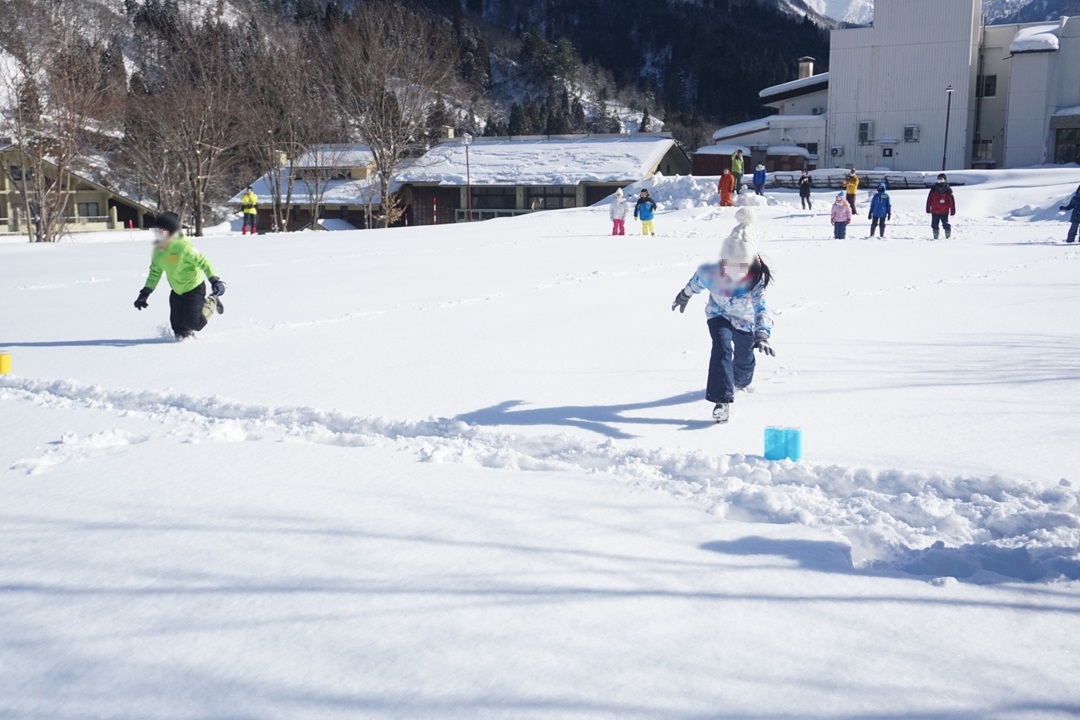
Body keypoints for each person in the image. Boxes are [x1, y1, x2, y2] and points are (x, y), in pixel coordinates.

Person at [671, 207, 774, 424]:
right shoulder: (714, 272)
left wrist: (762, 334)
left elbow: (762, 309)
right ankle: (722, 401)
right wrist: (685, 295)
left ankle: (740, 382)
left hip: (745, 322)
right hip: (718, 315)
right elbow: (697, 281)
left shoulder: (755, 281)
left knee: (744, 362)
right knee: (721, 348)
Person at [134, 212, 226, 341]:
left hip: (194, 289)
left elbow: (204, 262)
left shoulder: (184, 247)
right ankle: (186, 343)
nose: (158, 236)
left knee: (194, 323)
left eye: (161, 232)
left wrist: (214, 280)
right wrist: (145, 293)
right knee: (177, 328)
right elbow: (155, 272)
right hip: (177, 291)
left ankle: (212, 301)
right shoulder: (158, 251)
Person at [926, 173, 956, 239]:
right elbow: (929, 199)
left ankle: (948, 236)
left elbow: (951, 201)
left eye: (941, 179)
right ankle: (935, 237)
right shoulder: (933, 189)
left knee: (945, 224)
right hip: (934, 211)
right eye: (939, 179)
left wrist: (952, 210)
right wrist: (928, 208)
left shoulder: (948, 190)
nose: (940, 180)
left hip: (944, 211)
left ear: (945, 180)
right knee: (934, 224)